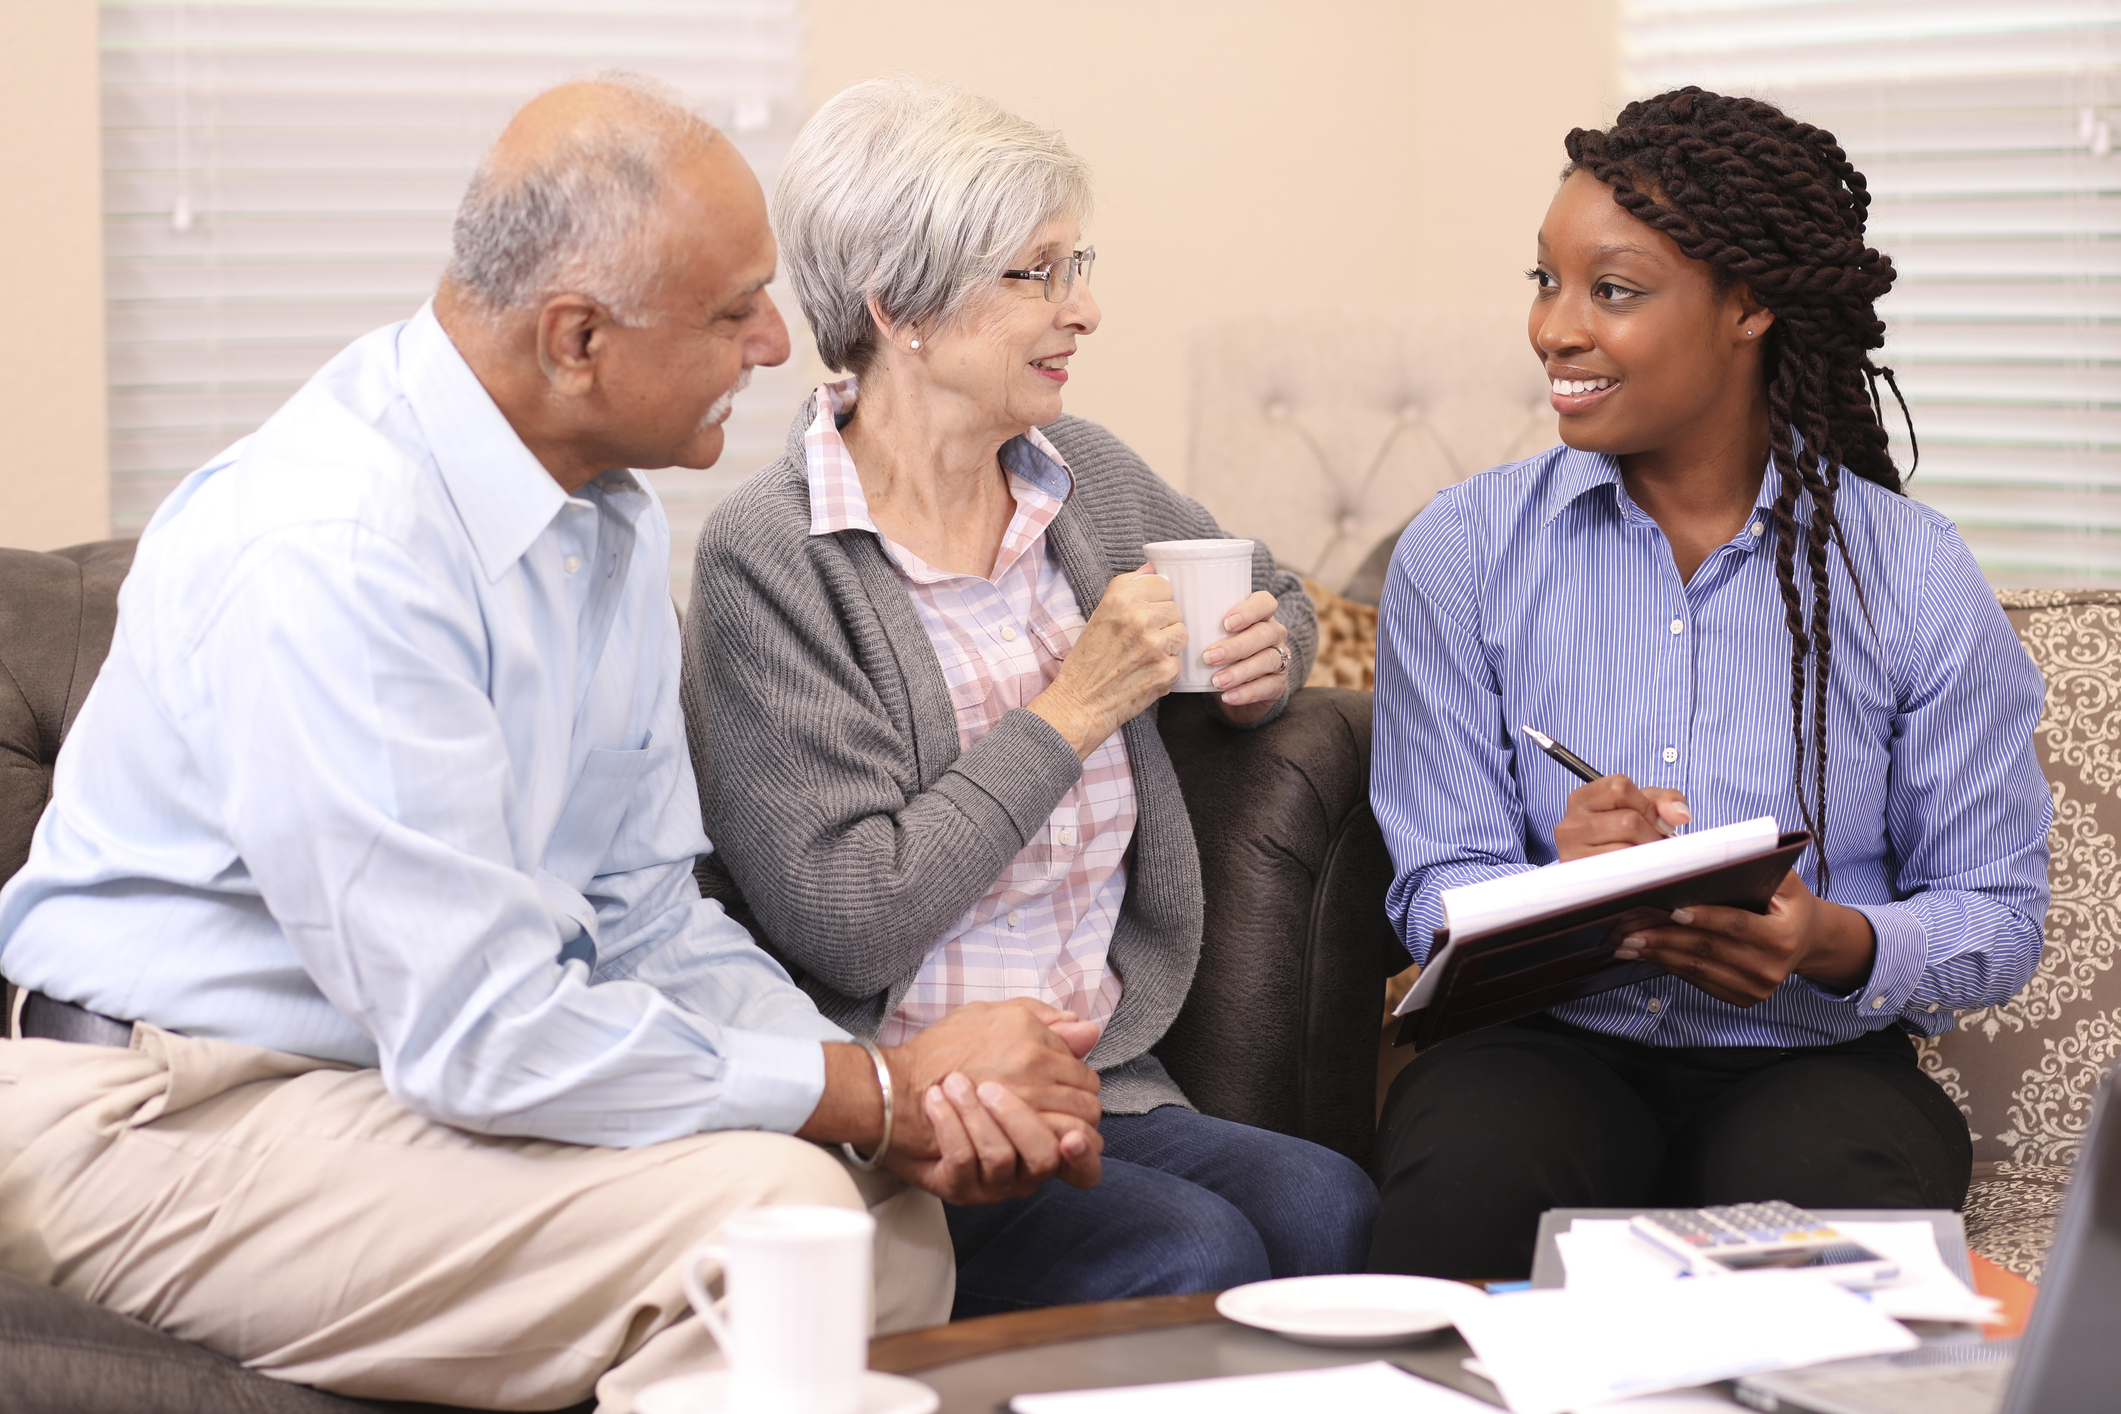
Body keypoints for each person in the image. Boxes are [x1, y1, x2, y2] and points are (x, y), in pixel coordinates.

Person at [0, 76, 1109, 1412]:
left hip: (376, 1084)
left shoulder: (604, 519)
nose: (776, 340)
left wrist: (892, 1105)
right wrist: (870, 1084)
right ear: (578, 337)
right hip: (165, 1108)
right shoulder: (336, 548)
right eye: (730, 309)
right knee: (778, 1225)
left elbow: (647, 916)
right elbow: (477, 1027)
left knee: (877, 1225)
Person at [682, 76, 1378, 1316]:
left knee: (1333, 1203)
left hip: (1105, 1075)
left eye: (1077, 265)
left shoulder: (1081, 481)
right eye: (1036, 274)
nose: (1085, 310)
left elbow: (1274, 591)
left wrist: (1266, 651)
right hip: (913, 1112)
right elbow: (847, 915)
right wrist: (1073, 708)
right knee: (1193, 1253)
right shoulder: (772, 558)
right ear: (901, 305)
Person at [1366, 87, 2052, 1280]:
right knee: (1475, 1167)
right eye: (1545, 281)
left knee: (1836, 1206)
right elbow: (1432, 878)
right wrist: (1552, 895)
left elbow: (1998, 909)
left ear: (1748, 305)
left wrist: (1828, 938)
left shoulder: (1913, 572)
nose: (1554, 329)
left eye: (1611, 290)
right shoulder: (1463, 551)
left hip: (1819, 1061)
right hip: (1547, 1048)